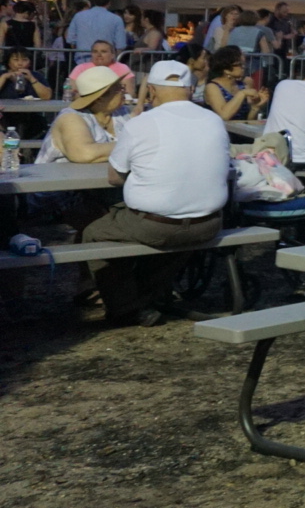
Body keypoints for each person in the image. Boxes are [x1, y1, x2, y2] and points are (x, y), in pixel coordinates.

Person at [79, 61, 228, 326]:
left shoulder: (142, 123)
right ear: (190, 89)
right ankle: (150, 296)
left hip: (156, 225)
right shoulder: (214, 121)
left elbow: (115, 177)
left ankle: (125, 307)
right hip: (209, 224)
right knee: (175, 236)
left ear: (153, 92)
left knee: (95, 233)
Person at [40, 67, 121, 166]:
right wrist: (133, 146)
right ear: (100, 98)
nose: (123, 92)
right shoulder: (70, 118)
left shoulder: (123, 113)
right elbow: (84, 154)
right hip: (56, 179)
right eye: (118, 89)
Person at [202, 45, 268, 122]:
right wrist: (242, 93)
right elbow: (224, 116)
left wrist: (255, 107)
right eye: (239, 65)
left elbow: (248, 121)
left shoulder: (243, 85)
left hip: (239, 130)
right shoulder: (212, 87)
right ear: (226, 70)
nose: (243, 67)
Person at [67, 39, 136, 100]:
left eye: (103, 51)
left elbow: (129, 93)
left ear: (112, 55)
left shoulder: (122, 68)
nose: (99, 54)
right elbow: (71, 91)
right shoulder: (81, 68)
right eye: (95, 51)